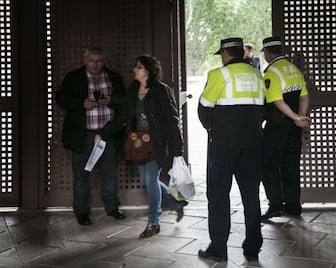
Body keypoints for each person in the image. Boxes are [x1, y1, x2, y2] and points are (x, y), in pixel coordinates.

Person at [198, 37, 264, 262]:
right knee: (251, 196)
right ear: (241, 53)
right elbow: (262, 110)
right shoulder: (257, 75)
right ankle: (253, 248)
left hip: (223, 147)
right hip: (253, 145)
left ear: (226, 54)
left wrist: (212, 129)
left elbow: (203, 108)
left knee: (218, 196)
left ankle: (218, 249)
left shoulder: (219, 75)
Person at [56, 47, 126, 225]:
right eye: (91, 61)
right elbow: (61, 98)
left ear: (104, 61)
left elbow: (125, 101)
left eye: (99, 61)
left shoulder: (114, 77)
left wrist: (111, 100)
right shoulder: (73, 77)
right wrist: (82, 103)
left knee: (109, 173)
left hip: (107, 133)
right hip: (83, 134)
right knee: (81, 175)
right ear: (85, 60)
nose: (95, 65)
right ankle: (81, 212)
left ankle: (112, 208)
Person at [123, 55, 187, 238]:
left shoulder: (161, 90)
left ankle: (153, 222)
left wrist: (177, 149)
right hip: (138, 142)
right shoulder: (133, 89)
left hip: (157, 142)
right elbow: (127, 115)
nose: (135, 70)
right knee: (146, 181)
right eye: (135, 66)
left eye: (139, 67)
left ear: (149, 71)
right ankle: (176, 203)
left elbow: (172, 120)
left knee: (151, 180)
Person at [260, 36, 311, 220]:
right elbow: (304, 97)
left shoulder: (272, 71)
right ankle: (293, 206)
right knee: (291, 165)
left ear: (267, 53)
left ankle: (275, 205)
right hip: (294, 128)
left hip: (277, 126)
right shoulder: (294, 69)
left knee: (268, 165)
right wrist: (299, 117)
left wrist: (296, 117)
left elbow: (277, 101)